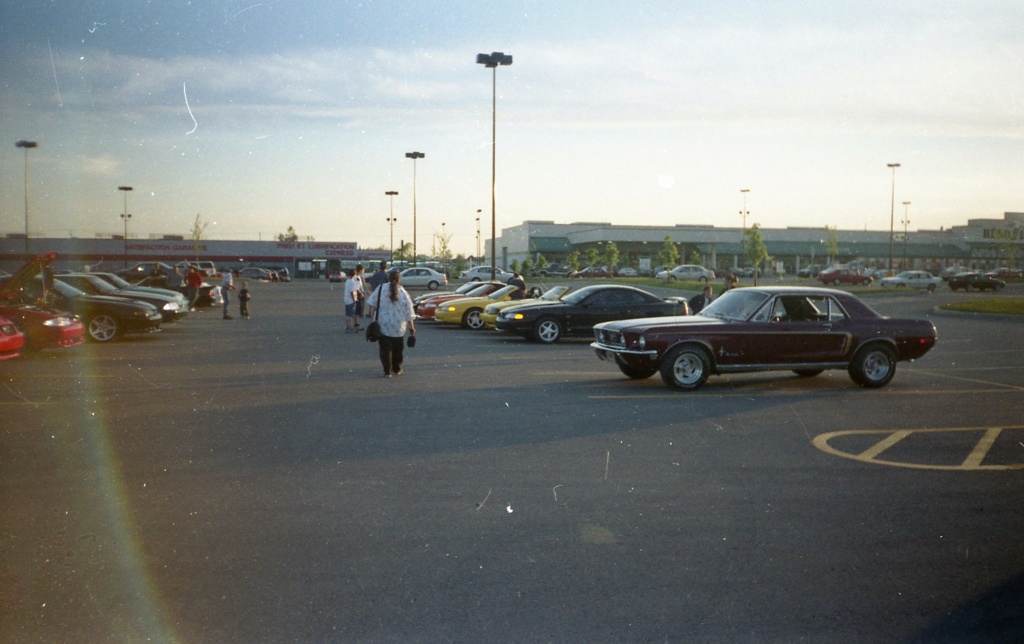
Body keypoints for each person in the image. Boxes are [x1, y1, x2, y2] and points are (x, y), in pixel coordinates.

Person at [370, 269, 416, 377]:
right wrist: (411, 327)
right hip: (399, 326)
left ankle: (387, 371)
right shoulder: (403, 292)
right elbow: (409, 311)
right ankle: (397, 368)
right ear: (399, 280)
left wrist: (374, 320)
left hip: (383, 324)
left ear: (388, 278)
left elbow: (372, 307)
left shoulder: (380, 289)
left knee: (385, 349)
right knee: (398, 349)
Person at [343, 264, 365, 333]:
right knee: (354, 312)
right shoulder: (355, 279)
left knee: (356, 312)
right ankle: (352, 326)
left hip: (351, 298)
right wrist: (358, 295)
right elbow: (355, 289)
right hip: (355, 297)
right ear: (360, 270)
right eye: (363, 270)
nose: (363, 271)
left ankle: (356, 325)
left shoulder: (353, 279)